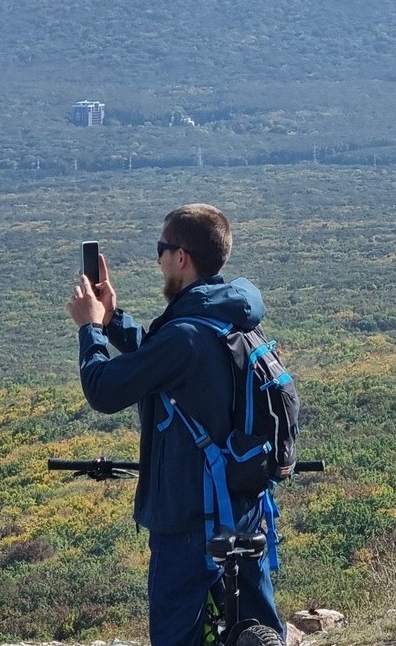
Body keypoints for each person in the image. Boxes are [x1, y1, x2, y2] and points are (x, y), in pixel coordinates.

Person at [67, 203, 287, 646]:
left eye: (161, 249)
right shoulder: (233, 319)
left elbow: (103, 389)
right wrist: (113, 320)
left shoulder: (186, 334)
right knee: (258, 634)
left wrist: (89, 328)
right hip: (244, 510)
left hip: (189, 524)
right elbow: (165, 361)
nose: (159, 259)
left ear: (181, 257)